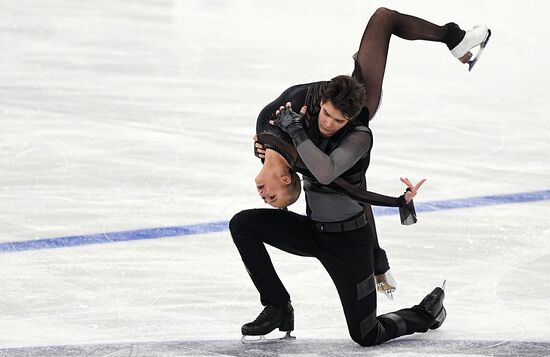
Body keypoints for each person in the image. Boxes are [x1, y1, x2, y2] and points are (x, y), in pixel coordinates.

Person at [230, 8, 490, 346]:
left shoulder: (357, 134)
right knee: (243, 224)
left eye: (273, 197)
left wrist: (376, 256)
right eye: (273, 197)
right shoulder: (278, 133)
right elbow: (304, 159)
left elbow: (350, 187)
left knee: (366, 335)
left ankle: (426, 314)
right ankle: (277, 306)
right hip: (314, 231)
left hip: (349, 244)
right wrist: (278, 142)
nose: (264, 196)